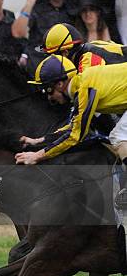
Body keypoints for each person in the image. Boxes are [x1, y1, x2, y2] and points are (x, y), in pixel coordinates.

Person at [15, 57, 127, 189]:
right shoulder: (82, 84)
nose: (49, 97)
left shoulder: (85, 88)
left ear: (60, 84)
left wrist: (37, 156)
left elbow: (75, 135)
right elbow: (73, 127)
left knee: (118, 136)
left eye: (48, 90)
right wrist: (39, 141)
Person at [37, 23, 124, 73]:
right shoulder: (92, 45)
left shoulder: (87, 61)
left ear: (65, 53)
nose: (50, 61)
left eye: (53, 56)